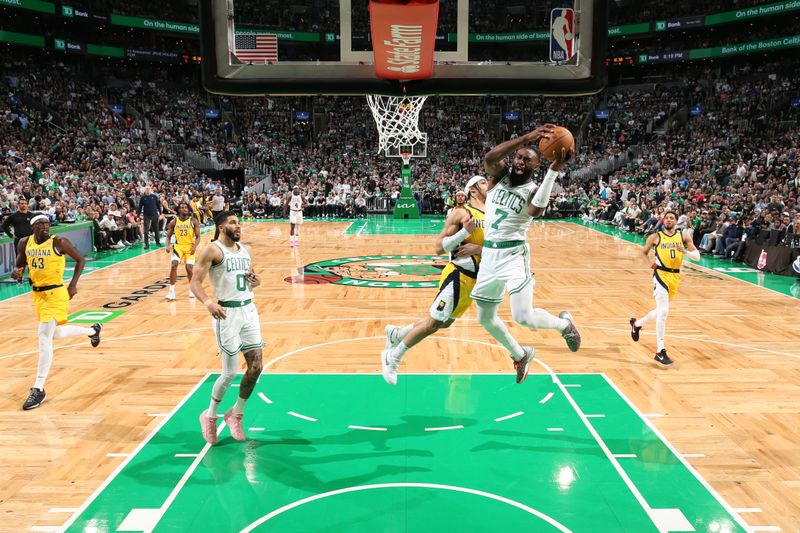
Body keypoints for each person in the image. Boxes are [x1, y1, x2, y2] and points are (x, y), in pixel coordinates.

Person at [470, 125, 581, 384]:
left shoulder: (532, 189)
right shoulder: (498, 177)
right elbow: (489, 158)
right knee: (485, 318)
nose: (520, 162)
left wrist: (554, 170)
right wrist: (527, 138)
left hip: (513, 255)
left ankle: (565, 325)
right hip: (490, 256)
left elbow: (536, 210)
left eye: (527, 159)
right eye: (518, 157)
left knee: (522, 316)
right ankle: (520, 355)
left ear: (536, 165)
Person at [382, 176, 488, 385]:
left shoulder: (491, 216)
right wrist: (463, 233)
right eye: (484, 182)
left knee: (445, 322)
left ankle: (397, 333)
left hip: (474, 281)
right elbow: (439, 247)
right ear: (473, 190)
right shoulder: (462, 213)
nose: (489, 185)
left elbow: (495, 249)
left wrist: (480, 249)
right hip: (457, 275)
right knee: (433, 323)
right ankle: (392, 357)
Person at [11, 215, 101, 410]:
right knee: (57, 333)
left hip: (56, 293)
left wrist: (73, 285)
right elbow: (20, 264)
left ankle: (38, 388)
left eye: (47, 223)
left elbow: (80, 260)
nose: (45, 227)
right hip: (37, 294)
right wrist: (17, 272)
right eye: (41, 224)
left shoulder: (59, 241)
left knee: (44, 337)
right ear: (32, 226)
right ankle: (92, 331)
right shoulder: (24, 242)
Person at [191, 211, 264, 445]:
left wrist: (256, 280)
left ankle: (236, 413)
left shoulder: (245, 250)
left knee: (256, 367)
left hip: (248, 310)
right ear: (221, 227)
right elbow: (194, 282)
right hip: (226, 313)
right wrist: (208, 302)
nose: (238, 225)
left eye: (239, 222)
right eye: (233, 222)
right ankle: (210, 415)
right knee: (230, 372)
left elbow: (254, 278)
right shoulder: (212, 250)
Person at [630, 210, 700, 365]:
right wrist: (650, 264)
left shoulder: (684, 236)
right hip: (660, 275)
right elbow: (643, 253)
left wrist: (685, 252)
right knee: (663, 312)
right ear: (662, 221)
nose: (669, 220)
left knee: (661, 310)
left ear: (676, 221)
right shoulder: (655, 237)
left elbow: (698, 256)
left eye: (672, 218)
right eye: (667, 218)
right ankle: (660, 350)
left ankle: (637, 324)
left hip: (675, 277)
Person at [165, 202, 201, 301]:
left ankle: (192, 289)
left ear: (188, 209)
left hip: (190, 247)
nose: (184, 209)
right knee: (173, 265)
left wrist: (194, 247)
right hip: (178, 247)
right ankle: (171, 291)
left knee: (189, 268)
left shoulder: (193, 221)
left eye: (185, 207)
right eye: (182, 207)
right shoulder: (174, 222)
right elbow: (168, 236)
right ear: (179, 210)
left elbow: (198, 237)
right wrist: (167, 246)